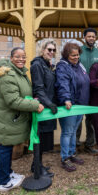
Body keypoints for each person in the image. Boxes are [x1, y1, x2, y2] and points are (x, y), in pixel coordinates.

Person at [0, 47, 44, 191]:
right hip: (6, 120)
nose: (21, 59)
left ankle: (8, 173)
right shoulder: (7, 75)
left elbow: (22, 93)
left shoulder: (18, 72)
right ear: (11, 58)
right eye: (18, 57)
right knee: (5, 149)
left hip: (10, 119)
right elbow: (13, 101)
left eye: (23, 56)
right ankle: (4, 182)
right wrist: (35, 104)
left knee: (7, 147)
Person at [55, 42, 90, 172]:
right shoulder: (62, 67)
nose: (76, 57)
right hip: (70, 105)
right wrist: (66, 98)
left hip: (80, 105)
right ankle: (65, 158)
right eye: (73, 55)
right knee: (67, 132)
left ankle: (72, 153)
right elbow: (62, 83)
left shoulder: (79, 65)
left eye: (77, 55)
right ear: (66, 55)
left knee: (74, 131)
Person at [30, 41, 58, 178]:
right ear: (42, 50)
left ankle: (37, 164)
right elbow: (38, 89)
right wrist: (49, 104)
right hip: (42, 108)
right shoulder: (37, 65)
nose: (51, 52)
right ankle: (37, 167)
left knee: (44, 139)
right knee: (39, 138)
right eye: (49, 49)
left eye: (54, 50)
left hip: (49, 107)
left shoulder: (49, 65)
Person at [77, 27, 98, 154]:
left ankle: (90, 144)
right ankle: (75, 145)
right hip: (80, 91)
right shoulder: (78, 52)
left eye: (93, 36)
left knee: (91, 119)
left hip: (94, 91)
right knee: (77, 118)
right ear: (84, 37)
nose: (91, 38)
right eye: (89, 36)